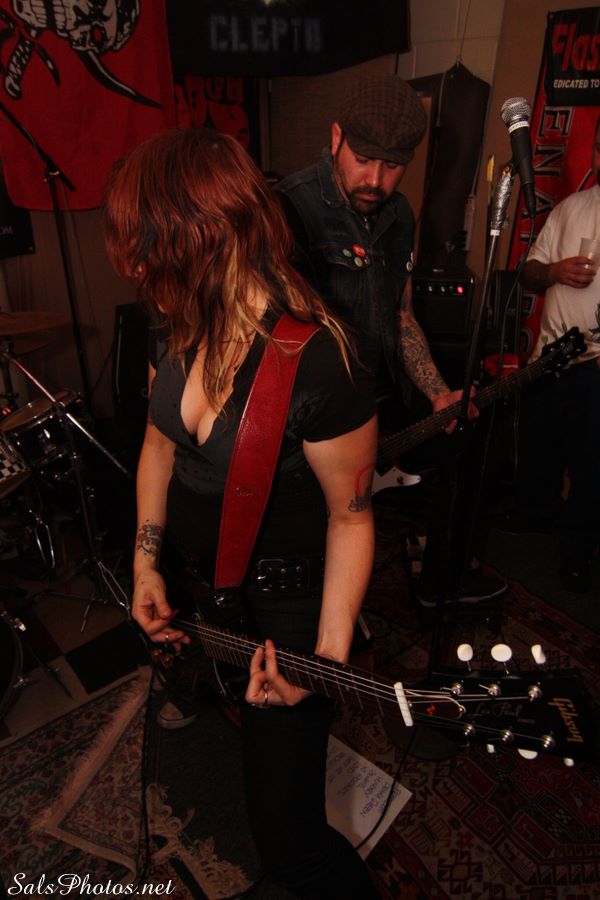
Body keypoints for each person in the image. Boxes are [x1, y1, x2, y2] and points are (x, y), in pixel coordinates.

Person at [102, 127, 380, 900]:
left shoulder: (320, 362)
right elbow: (158, 446)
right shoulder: (178, 327)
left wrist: (323, 663)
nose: (135, 270)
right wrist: (146, 563)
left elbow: (353, 519)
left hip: (289, 615)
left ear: (201, 237)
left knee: (290, 838)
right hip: (207, 591)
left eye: (146, 252)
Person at [276, 74, 505, 606]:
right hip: (314, 420)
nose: (375, 180)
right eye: (363, 160)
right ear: (336, 137)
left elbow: (400, 315)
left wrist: (437, 393)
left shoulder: (399, 215)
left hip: (380, 401)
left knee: (469, 445)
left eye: (394, 165)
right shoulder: (289, 209)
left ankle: (440, 582)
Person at [514, 117, 600, 592]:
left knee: (590, 464)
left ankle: (577, 552)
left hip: (595, 365)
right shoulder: (570, 208)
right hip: (549, 358)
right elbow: (529, 272)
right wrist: (554, 271)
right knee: (539, 447)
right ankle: (534, 521)